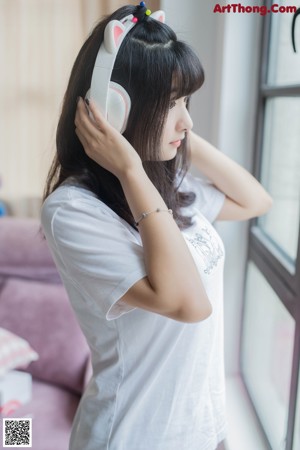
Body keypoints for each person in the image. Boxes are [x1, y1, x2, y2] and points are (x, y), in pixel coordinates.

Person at [41, 3, 272, 450]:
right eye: (170, 104)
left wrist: (175, 132)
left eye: (187, 101)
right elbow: (188, 304)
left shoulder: (166, 183)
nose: (188, 119)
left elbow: (255, 200)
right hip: (132, 436)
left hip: (203, 430)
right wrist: (129, 168)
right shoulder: (72, 211)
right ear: (113, 111)